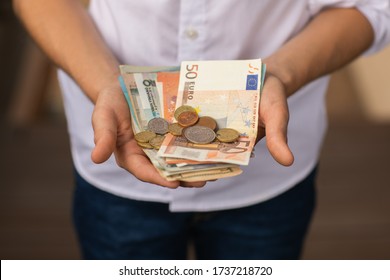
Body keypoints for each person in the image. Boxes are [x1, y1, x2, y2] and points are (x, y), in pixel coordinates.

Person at [13, 0, 390, 259]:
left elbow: (368, 7)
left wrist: (278, 75)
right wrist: (105, 85)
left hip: (266, 177)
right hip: (117, 163)